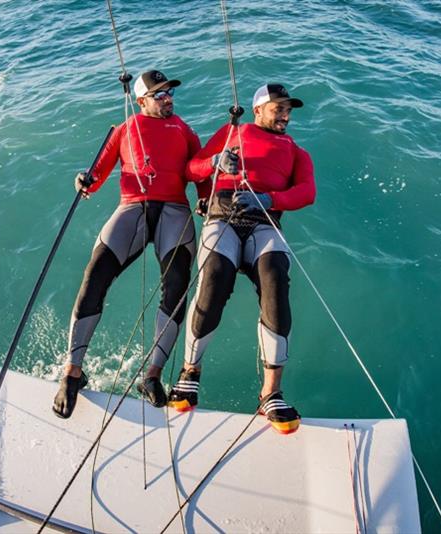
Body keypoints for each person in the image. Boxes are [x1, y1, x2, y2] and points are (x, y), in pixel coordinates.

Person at [53, 70, 206, 418]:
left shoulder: (185, 130)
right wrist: (84, 181)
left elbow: (197, 171)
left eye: (169, 92)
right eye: (159, 94)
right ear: (141, 102)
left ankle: (152, 375)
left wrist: (205, 197)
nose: (167, 98)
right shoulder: (124, 130)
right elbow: (95, 178)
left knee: (177, 286)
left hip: (175, 211)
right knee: (95, 275)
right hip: (132, 207)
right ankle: (73, 372)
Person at [169, 83, 316, 435]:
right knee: (215, 276)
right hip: (223, 217)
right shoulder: (233, 131)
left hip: (265, 221)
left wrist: (270, 200)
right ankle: (191, 372)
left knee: (275, 280)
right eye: (278, 108)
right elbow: (192, 168)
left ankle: (271, 393)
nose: (285, 115)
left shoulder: (297, 151)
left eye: (288, 109)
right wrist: (215, 163)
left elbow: (307, 192)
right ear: (258, 110)